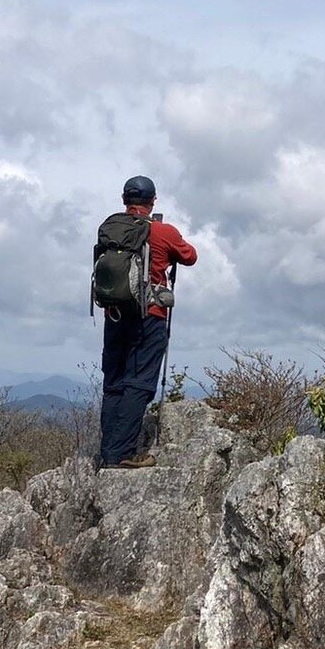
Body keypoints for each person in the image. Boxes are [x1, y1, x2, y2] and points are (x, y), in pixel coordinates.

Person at [98, 176, 197, 469]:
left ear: (124, 200)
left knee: (114, 382)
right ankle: (122, 453)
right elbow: (190, 256)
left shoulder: (110, 227)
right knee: (139, 382)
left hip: (114, 314)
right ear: (153, 201)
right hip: (149, 316)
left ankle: (108, 451)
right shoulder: (164, 231)